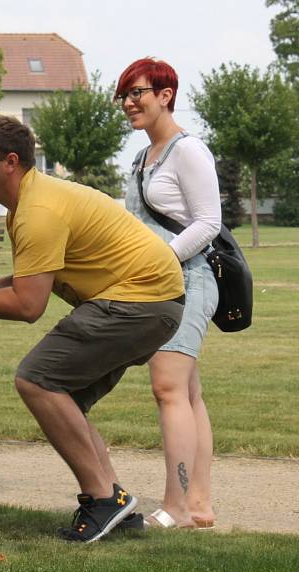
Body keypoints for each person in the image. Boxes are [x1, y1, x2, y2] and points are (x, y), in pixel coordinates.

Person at [0, 116, 186, 542]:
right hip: (152, 301)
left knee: (37, 379)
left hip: (139, 300)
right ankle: (116, 505)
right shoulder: (29, 204)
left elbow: (29, 305)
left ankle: (102, 500)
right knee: (65, 400)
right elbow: (29, 278)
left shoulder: (37, 211)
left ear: (9, 162)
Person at [114, 58, 221, 530]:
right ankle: (198, 504)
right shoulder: (141, 159)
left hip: (191, 278)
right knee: (188, 392)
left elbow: (208, 223)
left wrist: (162, 259)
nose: (129, 103)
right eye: (124, 95)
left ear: (166, 94)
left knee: (169, 388)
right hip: (158, 282)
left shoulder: (188, 151)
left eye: (137, 92)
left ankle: (176, 506)